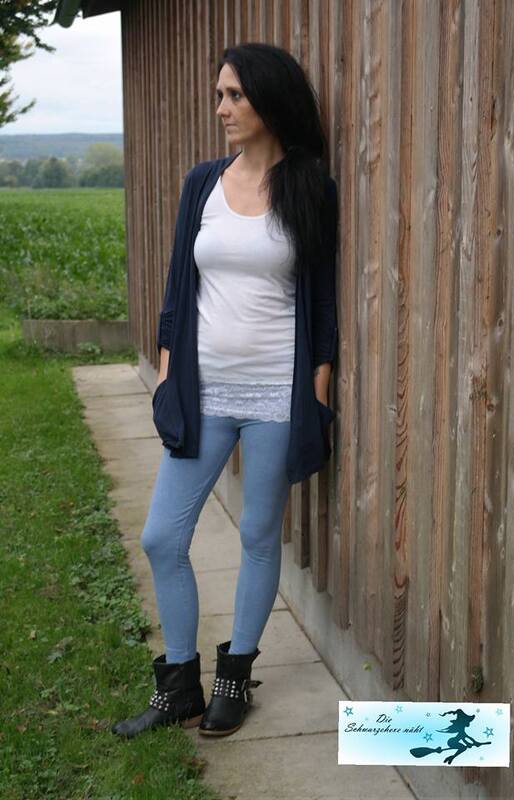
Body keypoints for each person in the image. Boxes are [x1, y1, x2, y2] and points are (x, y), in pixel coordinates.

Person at [112, 42, 338, 740]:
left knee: (259, 536)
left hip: (276, 396)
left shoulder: (309, 187)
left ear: (270, 99)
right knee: (161, 537)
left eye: (234, 95)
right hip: (204, 393)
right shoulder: (201, 184)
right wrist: (168, 375)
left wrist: (318, 395)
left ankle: (234, 679)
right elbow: (178, 289)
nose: (222, 108)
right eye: (220, 95)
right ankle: (179, 684)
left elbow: (321, 303)